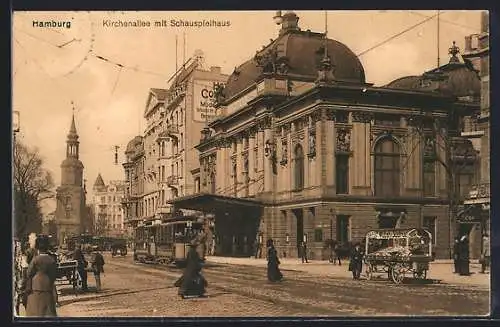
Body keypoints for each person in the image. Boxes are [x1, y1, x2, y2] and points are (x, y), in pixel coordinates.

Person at [24, 236, 58, 317]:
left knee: (35, 308)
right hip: (48, 285)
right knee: (48, 308)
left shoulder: (36, 259)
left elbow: (29, 273)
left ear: (38, 249)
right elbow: (54, 274)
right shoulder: (51, 259)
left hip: (35, 285)